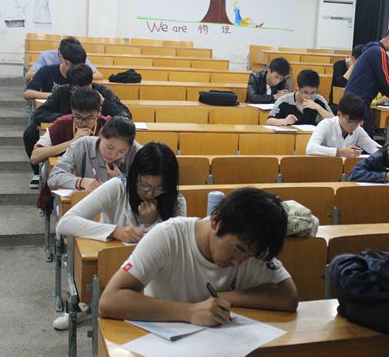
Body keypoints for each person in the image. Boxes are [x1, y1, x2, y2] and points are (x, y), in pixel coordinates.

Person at [99, 187, 298, 326]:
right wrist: (190, 312)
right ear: (216, 221)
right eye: (238, 249)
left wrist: (224, 297)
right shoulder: (167, 236)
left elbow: (288, 297)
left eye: (250, 255)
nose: (239, 262)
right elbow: (109, 301)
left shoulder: (253, 244)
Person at [53, 142, 185, 331]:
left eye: (159, 188)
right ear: (135, 176)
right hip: (113, 270)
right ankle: (89, 305)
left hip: (154, 279)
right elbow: (65, 223)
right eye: (144, 185)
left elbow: (174, 246)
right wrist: (115, 231)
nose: (150, 193)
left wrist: (150, 225)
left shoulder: (176, 201)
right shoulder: (118, 187)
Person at [23, 64, 130, 188]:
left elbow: (125, 118)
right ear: (72, 112)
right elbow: (35, 157)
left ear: (99, 112)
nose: (83, 123)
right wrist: (72, 142)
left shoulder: (107, 126)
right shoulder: (62, 123)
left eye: (90, 118)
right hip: (69, 184)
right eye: (78, 117)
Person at [344, 24, 389, 137]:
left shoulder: (373, 50)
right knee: (362, 140)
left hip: (356, 100)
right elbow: (384, 80)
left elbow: (380, 82)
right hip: (357, 102)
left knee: (362, 138)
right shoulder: (378, 52)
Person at [47, 116, 141, 192]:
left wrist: (122, 180)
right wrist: (81, 182)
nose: (113, 155)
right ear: (101, 134)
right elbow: (54, 176)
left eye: (122, 151)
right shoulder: (82, 145)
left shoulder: (136, 151)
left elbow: (147, 185)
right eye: (109, 147)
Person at [33, 63, 130, 125]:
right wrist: (69, 118)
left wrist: (104, 102)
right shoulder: (62, 91)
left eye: (86, 87)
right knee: (31, 133)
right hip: (66, 130)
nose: (82, 92)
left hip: (97, 132)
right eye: (76, 89)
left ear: (91, 82)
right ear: (71, 85)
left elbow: (125, 116)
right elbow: (39, 114)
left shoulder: (102, 92)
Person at [306, 93, 380, 157]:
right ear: (339, 114)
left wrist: (385, 151)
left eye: (358, 122)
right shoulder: (326, 124)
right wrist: (339, 152)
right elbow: (310, 148)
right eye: (350, 122)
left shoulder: (358, 130)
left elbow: (373, 147)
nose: (354, 126)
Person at [265, 69, 333, 126]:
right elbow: (268, 122)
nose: (309, 96)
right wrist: (284, 121)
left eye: (313, 93)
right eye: (305, 92)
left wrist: (318, 108)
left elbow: (334, 121)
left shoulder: (318, 99)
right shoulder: (284, 100)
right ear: (297, 86)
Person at [24, 36, 101, 82]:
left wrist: (80, 76)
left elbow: (99, 75)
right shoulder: (46, 56)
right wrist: (47, 75)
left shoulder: (78, 56)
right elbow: (28, 76)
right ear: (61, 55)